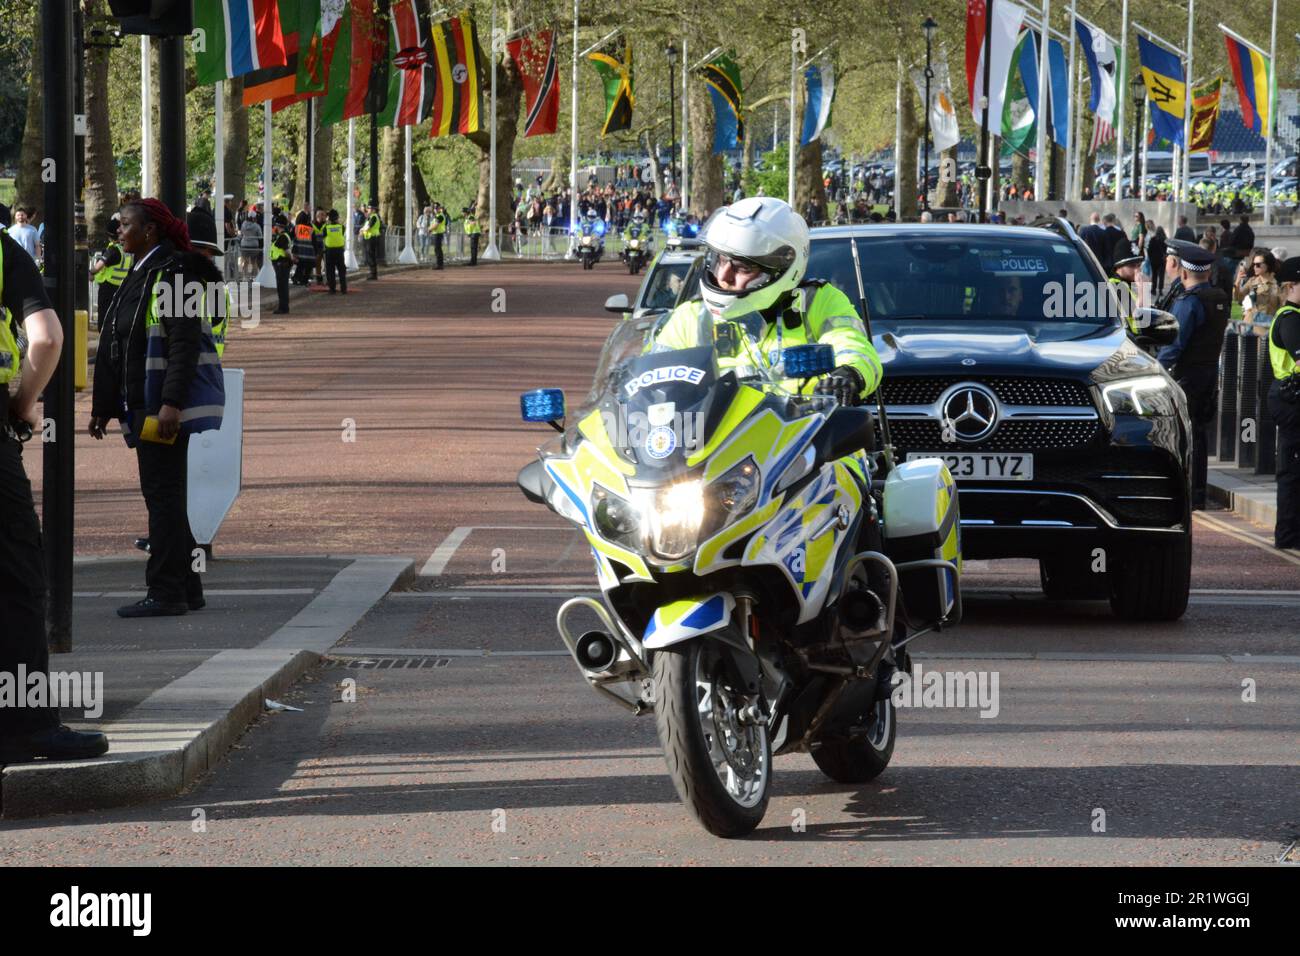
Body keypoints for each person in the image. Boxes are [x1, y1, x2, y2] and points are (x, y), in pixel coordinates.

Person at [0, 231, 111, 762]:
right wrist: (22, 404)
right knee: (17, 576)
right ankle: (25, 725)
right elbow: (45, 338)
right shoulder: (2, 250)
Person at [88, 199, 224, 617]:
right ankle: (186, 586)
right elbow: (119, 341)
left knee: (162, 496)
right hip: (141, 403)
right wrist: (104, 406)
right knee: (166, 495)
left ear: (150, 231)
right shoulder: (141, 269)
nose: (118, 232)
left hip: (158, 407)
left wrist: (170, 404)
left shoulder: (173, 272)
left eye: (125, 225)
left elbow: (182, 343)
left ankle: (165, 591)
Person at [652, 197, 882, 407]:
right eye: (719, 260)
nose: (723, 276)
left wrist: (848, 374)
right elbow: (653, 373)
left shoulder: (817, 301)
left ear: (783, 269)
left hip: (807, 437)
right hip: (715, 442)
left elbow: (853, 345)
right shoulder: (692, 317)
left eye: (743, 268)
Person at [1157, 245, 1231, 511]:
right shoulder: (1220, 298)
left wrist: (1156, 370)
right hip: (1209, 372)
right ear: (1208, 272)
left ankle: (1184, 493)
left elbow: (1174, 344)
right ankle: (1198, 493)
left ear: (1184, 273)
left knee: (1181, 435)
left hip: (1186, 375)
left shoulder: (1188, 303)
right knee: (1199, 434)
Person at [1266, 257, 1300, 550]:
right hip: (1292, 398)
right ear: (1291, 286)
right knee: (1291, 469)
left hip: (1289, 396)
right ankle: (1288, 534)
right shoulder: (1290, 319)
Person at [90, 218, 133, 325]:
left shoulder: (113, 250)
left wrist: (91, 272)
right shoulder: (127, 249)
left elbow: (99, 266)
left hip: (107, 288)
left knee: (104, 318)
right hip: (121, 287)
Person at [1235, 249, 1282, 325]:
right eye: (1254, 264)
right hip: (1250, 325)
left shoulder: (1278, 284)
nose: (1254, 267)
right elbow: (1238, 298)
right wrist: (1237, 282)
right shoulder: (1252, 281)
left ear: (1268, 264)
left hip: (1267, 326)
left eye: (1258, 265)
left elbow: (1282, 308)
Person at [269, 218, 293, 312]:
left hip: (282, 264)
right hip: (281, 264)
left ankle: (283, 308)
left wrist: (290, 258)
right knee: (282, 286)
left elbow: (286, 251)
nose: (274, 227)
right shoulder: (282, 236)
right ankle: (283, 307)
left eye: (275, 226)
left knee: (282, 287)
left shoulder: (282, 237)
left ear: (278, 226)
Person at [322, 208, 347, 294]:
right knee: (341, 270)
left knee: (330, 271)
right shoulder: (341, 227)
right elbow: (342, 232)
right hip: (339, 251)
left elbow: (323, 235)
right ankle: (343, 289)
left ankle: (332, 289)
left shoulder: (326, 228)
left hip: (330, 251)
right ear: (337, 218)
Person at [291, 211, 316, 286]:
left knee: (300, 265)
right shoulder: (310, 229)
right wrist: (316, 251)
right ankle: (304, 280)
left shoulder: (296, 228)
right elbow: (314, 241)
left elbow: (291, 237)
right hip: (309, 252)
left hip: (298, 251)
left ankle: (296, 278)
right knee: (308, 267)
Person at [362, 203, 382, 280]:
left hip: (372, 238)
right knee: (370, 256)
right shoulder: (371, 217)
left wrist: (362, 230)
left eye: (369, 209)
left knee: (371, 257)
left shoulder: (373, 217)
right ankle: (373, 273)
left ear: (373, 210)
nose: (368, 210)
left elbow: (368, 227)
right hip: (370, 238)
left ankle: (373, 274)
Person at [429, 202, 449, 269]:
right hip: (436, 234)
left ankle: (439, 265)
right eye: (434, 208)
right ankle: (439, 264)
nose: (435, 209)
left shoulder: (440, 216)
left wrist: (429, 229)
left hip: (438, 234)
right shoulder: (437, 216)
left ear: (439, 208)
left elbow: (436, 225)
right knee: (437, 249)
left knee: (438, 250)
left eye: (436, 208)